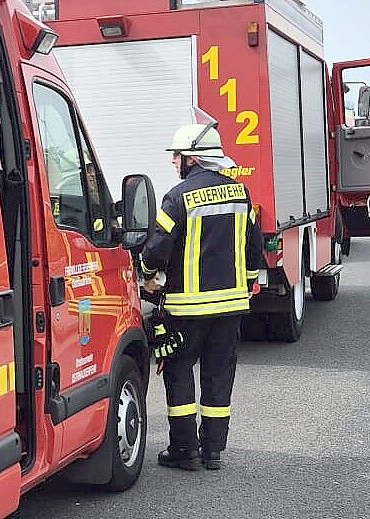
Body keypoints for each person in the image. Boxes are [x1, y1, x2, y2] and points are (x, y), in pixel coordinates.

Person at [140, 122, 263, 470]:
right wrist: (247, 284)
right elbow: (253, 249)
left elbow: (155, 251)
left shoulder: (176, 198)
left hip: (186, 308)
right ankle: (213, 450)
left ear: (192, 158)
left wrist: (148, 277)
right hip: (232, 307)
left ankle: (185, 451)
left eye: (176, 156)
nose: (174, 162)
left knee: (179, 371)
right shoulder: (241, 194)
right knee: (218, 374)